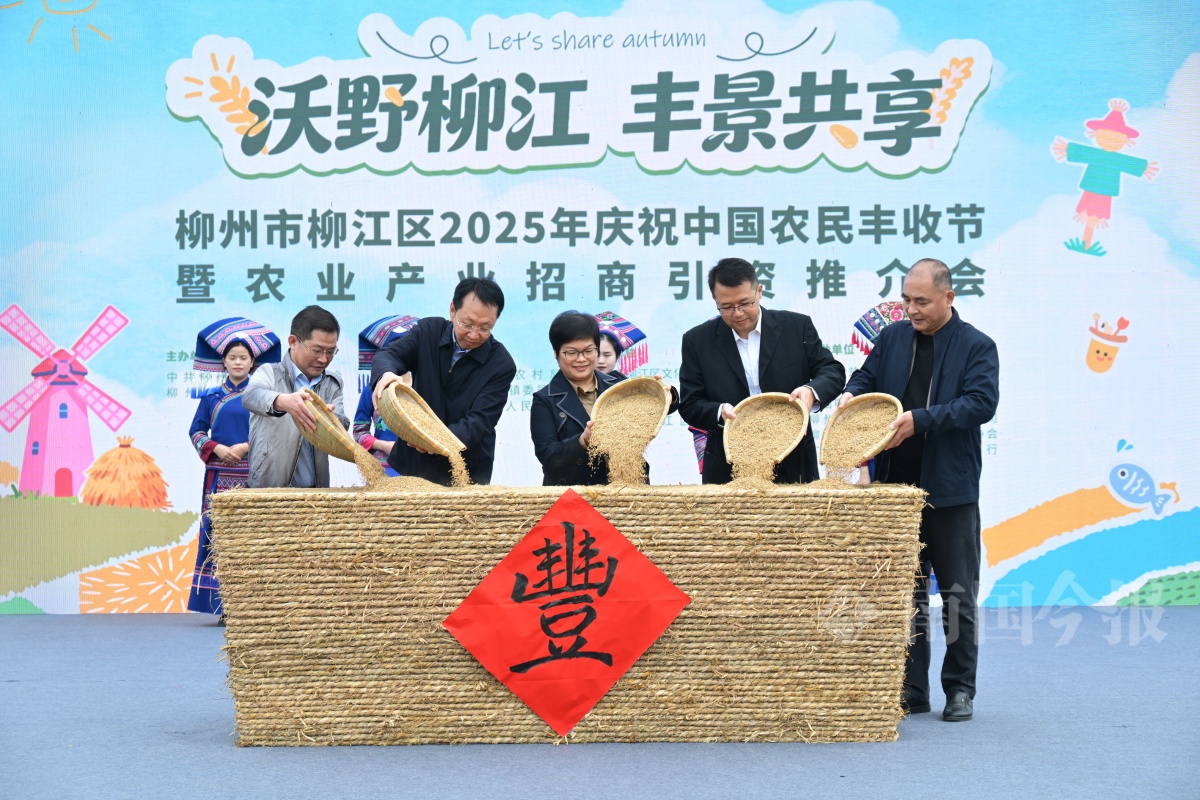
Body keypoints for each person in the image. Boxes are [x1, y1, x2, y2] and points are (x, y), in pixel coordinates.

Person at [840, 258, 999, 723]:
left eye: (922, 302)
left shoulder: (977, 345)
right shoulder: (892, 337)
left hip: (949, 492)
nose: (911, 309)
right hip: (894, 491)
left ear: (949, 298)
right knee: (903, 595)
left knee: (956, 595)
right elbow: (866, 378)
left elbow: (980, 404)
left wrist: (921, 421)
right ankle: (912, 687)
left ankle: (960, 689)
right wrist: (852, 393)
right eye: (907, 300)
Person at [679, 257, 846, 484]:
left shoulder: (796, 327)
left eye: (745, 303)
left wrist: (811, 391)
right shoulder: (697, 341)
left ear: (759, 291)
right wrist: (720, 412)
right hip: (728, 465)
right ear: (715, 300)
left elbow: (832, 371)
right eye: (727, 307)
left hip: (794, 459)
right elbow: (690, 403)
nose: (738, 313)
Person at [371, 277, 517, 485]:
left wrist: (432, 441)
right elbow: (389, 355)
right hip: (413, 464)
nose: (474, 334)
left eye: (485, 328)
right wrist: (385, 374)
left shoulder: (501, 364)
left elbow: (479, 422)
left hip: (466, 470)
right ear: (452, 310)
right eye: (467, 324)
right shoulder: (428, 332)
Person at [187, 317, 280, 618]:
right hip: (219, 477)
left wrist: (244, 447)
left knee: (252, 538)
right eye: (232, 357)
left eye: (243, 358)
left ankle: (253, 605)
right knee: (220, 539)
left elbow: (273, 431)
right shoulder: (211, 398)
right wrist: (217, 448)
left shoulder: (262, 397)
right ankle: (222, 605)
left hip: (255, 475)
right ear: (223, 363)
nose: (238, 362)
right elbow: (196, 432)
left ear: (253, 363)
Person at [531, 311, 676, 486]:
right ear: (556, 353)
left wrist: (666, 394)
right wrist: (583, 441)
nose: (581, 359)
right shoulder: (544, 400)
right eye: (571, 352)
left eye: (588, 351)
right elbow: (548, 457)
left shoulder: (619, 384)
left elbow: (651, 407)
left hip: (628, 489)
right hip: (575, 496)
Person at [242, 306, 348, 489]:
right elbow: (250, 396)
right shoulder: (269, 373)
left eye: (331, 351)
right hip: (268, 490)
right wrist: (283, 402)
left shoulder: (332, 383)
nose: (324, 359)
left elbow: (342, 425)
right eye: (317, 350)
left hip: (316, 494)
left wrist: (329, 419)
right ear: (293, 342)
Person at [352, 315, 419, 477]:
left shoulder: (425, 388)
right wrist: (384, 446)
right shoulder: (372, 389)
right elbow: (359, 432)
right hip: (382, 470)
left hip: (420, 470)